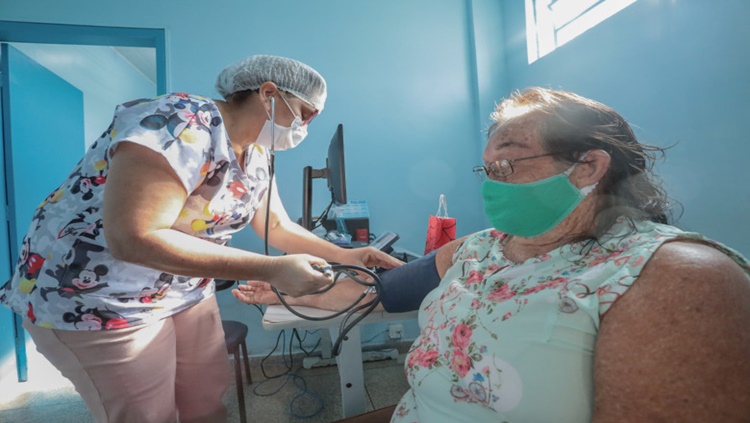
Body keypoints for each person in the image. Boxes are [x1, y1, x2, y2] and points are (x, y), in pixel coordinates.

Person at [235, 87, 750, 422]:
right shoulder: (479, 249)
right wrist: (295, 289)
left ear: (588, 167)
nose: (492, 186)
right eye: (487, 170)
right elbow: (377, 293)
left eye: (508, 165)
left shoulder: (675, 278)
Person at [0, 54, 401, 423]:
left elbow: (276, 226)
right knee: (147, 414)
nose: (305, 127)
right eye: (306, 114)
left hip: (182, 290)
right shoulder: (180, 121)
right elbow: (134, 238)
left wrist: (349, 254)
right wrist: (273, 269)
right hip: (97, 296)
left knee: (205, 401)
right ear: (269, 94)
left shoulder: (258, 155)